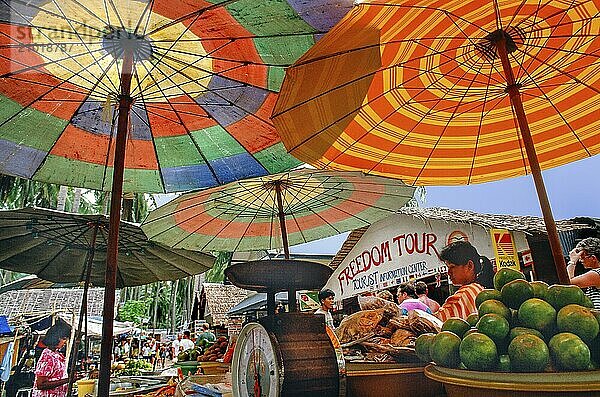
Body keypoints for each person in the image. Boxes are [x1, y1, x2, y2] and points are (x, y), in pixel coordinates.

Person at [435, 241, 494, 321]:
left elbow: (435, 322)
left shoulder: (464, 293)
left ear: (470, 266)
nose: (448, 273)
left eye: (452, 267)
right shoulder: (480, 289)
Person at [32, 321, 75, 397]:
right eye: (64, 339)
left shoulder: (56, 355)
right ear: (56, 337)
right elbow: (41, 385)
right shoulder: (47, 356)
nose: (65, 342)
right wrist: (68, 380)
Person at [568, 237, 600, 309]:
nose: (580, 260)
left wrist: (572, 262)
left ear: (593, 258)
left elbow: (567, 284)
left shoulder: (596, 274)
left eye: (582, 257)